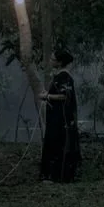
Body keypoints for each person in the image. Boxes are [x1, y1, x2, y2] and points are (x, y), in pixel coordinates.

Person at [40, 46, 82, 183]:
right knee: (53, 142)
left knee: (57, 143)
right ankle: (52, 175)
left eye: (53, 59)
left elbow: (64, 96)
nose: (50, 60)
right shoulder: (59, 76)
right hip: (55, 117)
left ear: (59, 62)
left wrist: (48, 96)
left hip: (61, 118)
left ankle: (58, 176)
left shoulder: (65, 77)